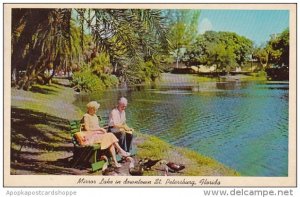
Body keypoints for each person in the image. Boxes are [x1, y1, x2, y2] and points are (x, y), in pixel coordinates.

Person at [80, 101, 130, 168]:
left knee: (111, 142)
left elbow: (97, 126)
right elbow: (87, 129)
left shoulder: (95, 116)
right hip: (91, 136)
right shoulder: (86, 116)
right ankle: (121, 151)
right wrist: (99, 129)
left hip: (97, 134)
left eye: (96, 109)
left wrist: (101, 129)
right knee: (110, 135)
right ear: (91, 109)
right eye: (95, 109)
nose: (96, 111)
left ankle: (115, 161)